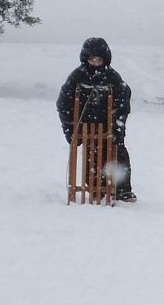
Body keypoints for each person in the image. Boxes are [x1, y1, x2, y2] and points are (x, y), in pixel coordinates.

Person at [57, 36, 136, 202]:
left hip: (108, 124)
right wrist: (70, 128)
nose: (95, 62)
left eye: (98, 59)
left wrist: (117, 127)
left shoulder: (113, 77)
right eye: (91, 59)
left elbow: (123, 102)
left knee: (117, 153)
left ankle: (122, 189)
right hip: (86, 126)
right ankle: (96, 187)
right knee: (92, 158)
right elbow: (64, 103)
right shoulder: (77, 77)